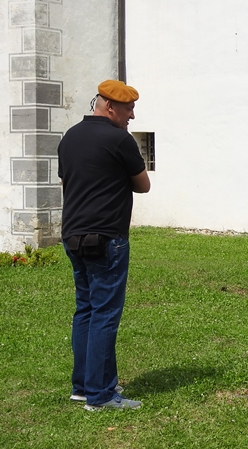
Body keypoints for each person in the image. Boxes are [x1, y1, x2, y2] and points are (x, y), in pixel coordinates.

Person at [58, 79, 150, 410]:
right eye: (128, 109)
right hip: (106, 237)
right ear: (109, 106)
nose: (132, 117)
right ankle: (101, 396)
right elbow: (143, 185)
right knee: (105, 314)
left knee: (85, 309)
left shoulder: (70, 137)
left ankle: (82, 386)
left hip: (73, 234)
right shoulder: (118, 140)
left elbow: (69, 180)